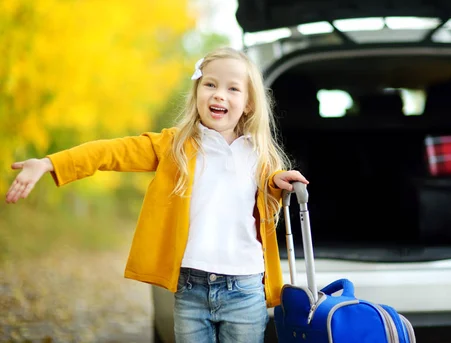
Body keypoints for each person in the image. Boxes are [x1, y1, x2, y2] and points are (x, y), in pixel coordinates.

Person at [5, 46, 309, 343]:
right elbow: (112, 151)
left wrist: (276, 181)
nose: (219, 94)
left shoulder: (260, 155)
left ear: (249, 104)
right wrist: (49, 163)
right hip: (190, 285)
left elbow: (265, 190)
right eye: (210, 84)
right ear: (197, 92)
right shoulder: (174, 146)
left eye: (232, 89)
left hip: (244, 287)